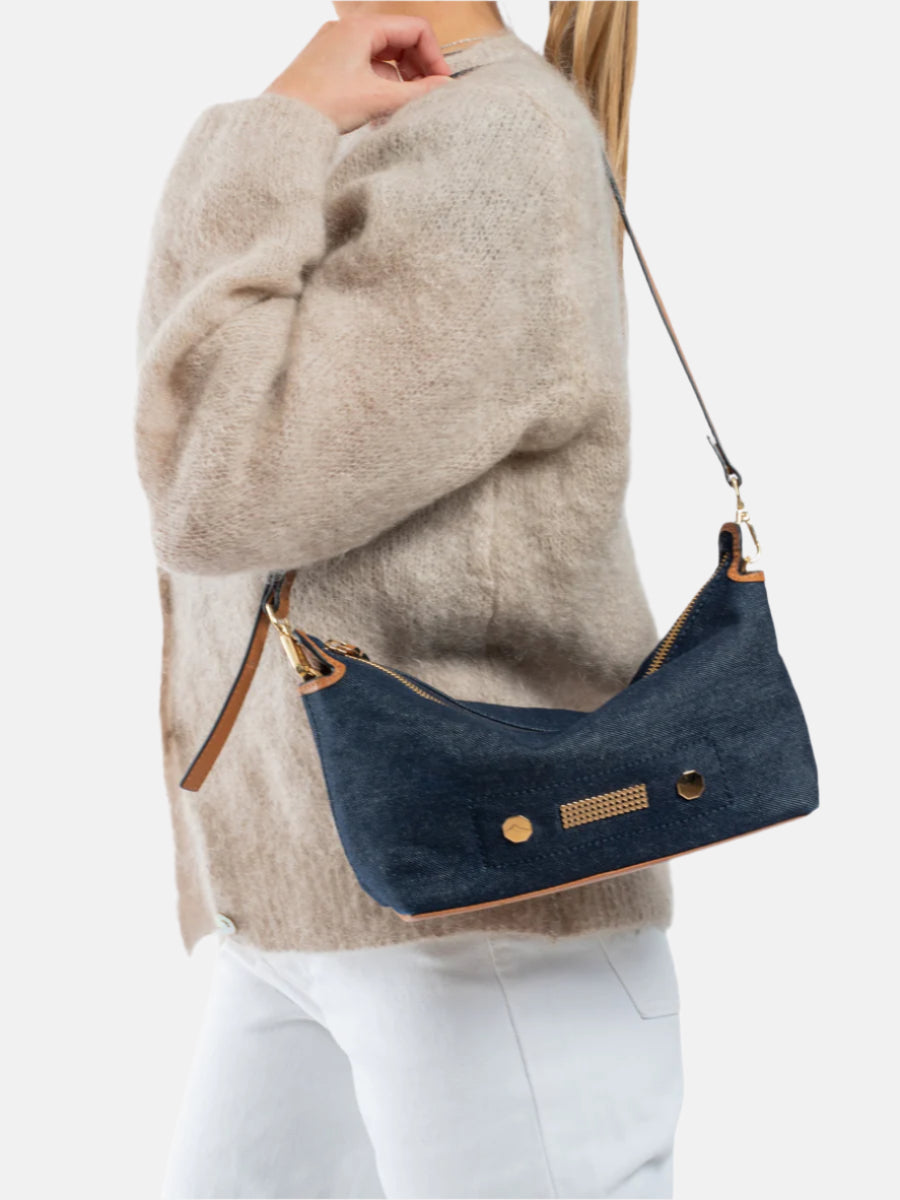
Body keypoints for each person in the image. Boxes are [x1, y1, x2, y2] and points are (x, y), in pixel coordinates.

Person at [134, 3, 684, 1196]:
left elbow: (216, 484)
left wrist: (269, 126)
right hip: (313, 917)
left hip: (483, 933)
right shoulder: (393, 122)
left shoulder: (495, 143)